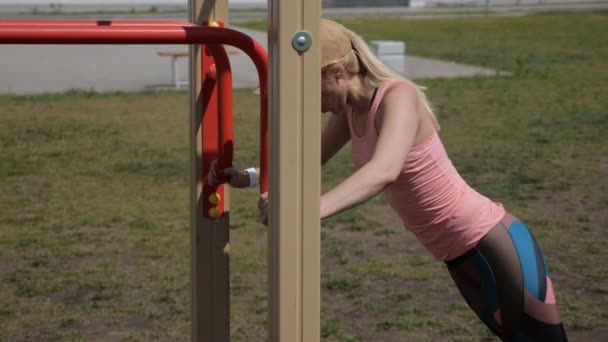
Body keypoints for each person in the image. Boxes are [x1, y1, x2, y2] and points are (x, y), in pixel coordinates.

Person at [208, 19, 568, 341]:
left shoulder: (398, 96)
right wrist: (248, 177)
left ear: (336, 71)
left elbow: (384, 170)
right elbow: (304, 161)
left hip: (494, 243)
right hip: (456, 255)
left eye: (308, 87)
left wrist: (305, 211)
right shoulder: (350, 111)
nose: (306, 100)